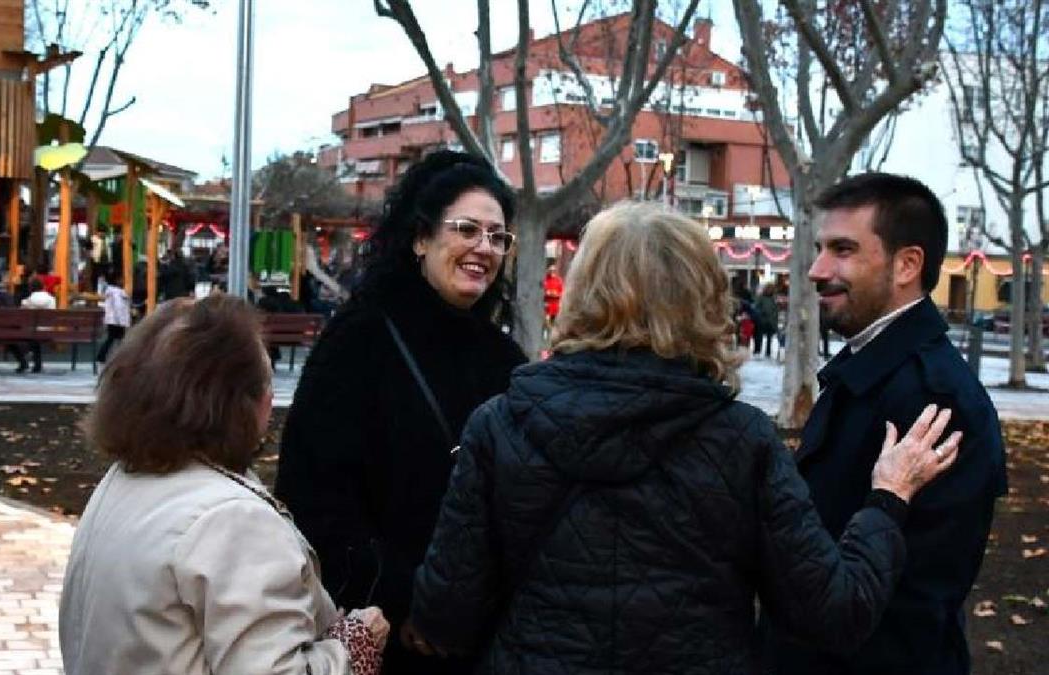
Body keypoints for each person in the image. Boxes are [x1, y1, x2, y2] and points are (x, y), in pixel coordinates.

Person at [406, 202, 963, 673]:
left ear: (583, 290)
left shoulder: (499, 425)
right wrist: (887, 500)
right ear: (701, 295)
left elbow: (442, 617)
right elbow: (834, 613)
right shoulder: (742, 441)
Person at [275, 150, 527, 675]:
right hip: (389, 635)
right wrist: (402, 603)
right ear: (420, 238)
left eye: (497, 236)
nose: (483, 247)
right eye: (466, 229)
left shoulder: (505, 359)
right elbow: (316, 494)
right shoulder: (359, 340)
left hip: (483, 636)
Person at [60, 295, 389, 674]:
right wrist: (353, 646)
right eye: (264, 384)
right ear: (235, 404)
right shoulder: (233, 521)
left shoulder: (124, 480)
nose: (271, 399)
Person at [761, 173, 1007, 674]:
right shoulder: (875, 370)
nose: (816, 270)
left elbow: (913, 610)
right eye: (820, 248)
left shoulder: (934, 400)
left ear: (907, 265)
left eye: (843, 250)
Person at [95, 275, 131, 363]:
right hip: (117, 319)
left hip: (111, 318)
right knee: (117, 338)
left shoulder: (110, 291)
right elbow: (119, 307)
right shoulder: (118, 293)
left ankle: (104, 355)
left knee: (112, 338)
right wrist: (121, 320)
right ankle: (106, 355)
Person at [753, 283, 780, 358]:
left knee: (769, 338)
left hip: (770, 321)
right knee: (759, 337)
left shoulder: (773, 298)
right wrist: (761, 313)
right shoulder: (761, 297)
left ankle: (767, 352)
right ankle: (757, 351)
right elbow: (756, 307)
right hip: (762, 320)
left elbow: (775, 310)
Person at [543, 260, 563, 325]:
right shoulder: (545, 280)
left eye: (553, 270)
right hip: (547, 306)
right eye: (550, 270)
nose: (552, 272)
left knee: (555, 324)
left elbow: (562, 292)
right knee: (546, 323)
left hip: (556, 307)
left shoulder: (558, 280)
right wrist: (547, 293)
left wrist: (555, 294)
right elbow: (542, 291)